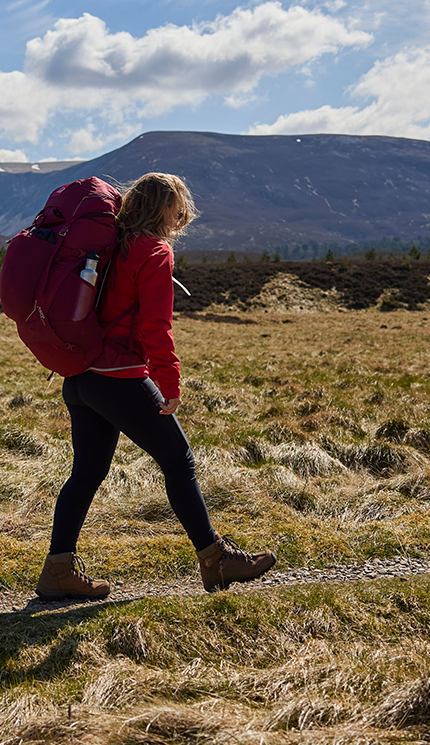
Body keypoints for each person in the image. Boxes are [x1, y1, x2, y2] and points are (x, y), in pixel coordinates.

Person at [37, 172, 275, 599]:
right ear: (167, 210)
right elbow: (156, 326)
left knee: (87, 473)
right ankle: (216, 560)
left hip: (82, 377)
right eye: (179, 206)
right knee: (178, 459)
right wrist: (169, 382)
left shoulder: (111, 245)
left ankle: (57, 571)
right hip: (119, 377)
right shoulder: (154, 251)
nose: (182, 215)